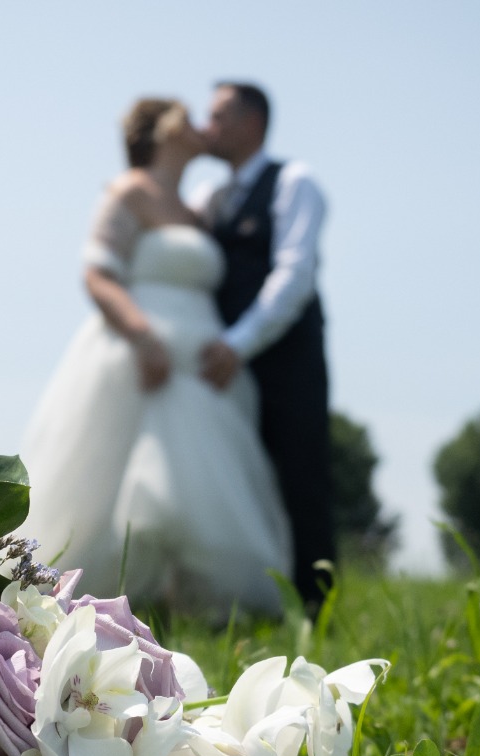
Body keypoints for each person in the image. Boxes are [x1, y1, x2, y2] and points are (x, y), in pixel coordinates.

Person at [20, 98, 290, 615]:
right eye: (191, 119)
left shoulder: (195, 209)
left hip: (200, 362)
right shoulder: (130, 191)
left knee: (200, 480)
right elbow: (97, 272)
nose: (203, 128)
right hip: (140, 353)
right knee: (118, 480)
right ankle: (93, 601)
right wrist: (143, 337)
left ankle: (192, 606)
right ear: (165, 131)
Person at [192, 82, 334, 606]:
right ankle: (253, 604)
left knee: (300, 478)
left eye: (219, 116)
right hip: (221, 366)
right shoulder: (208, 198)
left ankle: (317, 607)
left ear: (252, 121)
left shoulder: (295, 182)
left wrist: (239, 342)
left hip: (286, 358)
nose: (208, 127)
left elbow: (294, 274)